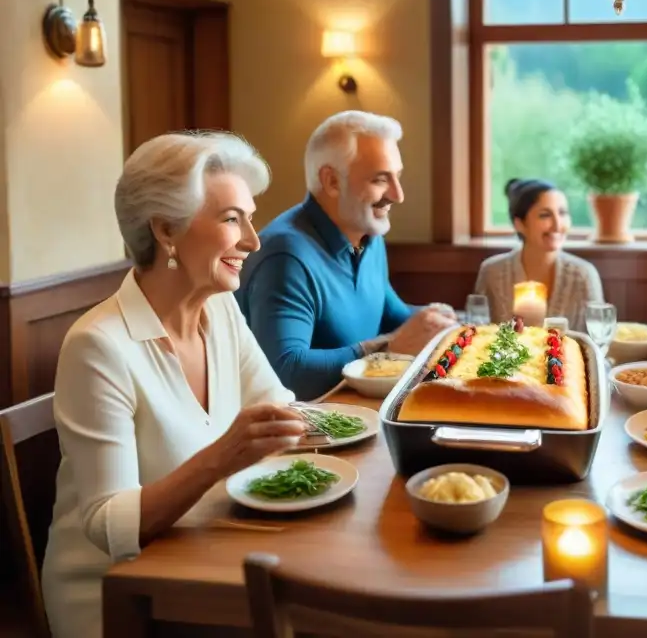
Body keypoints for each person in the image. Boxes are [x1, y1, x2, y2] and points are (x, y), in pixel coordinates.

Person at [41, 132, 308, 638]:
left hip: (206, 557)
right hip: (121, 598)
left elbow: (278, 409)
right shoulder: (98, 345)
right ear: (166, 229)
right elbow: (108, 523)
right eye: (233, 219)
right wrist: (222, 456)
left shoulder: (221, 308)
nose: (253, 240)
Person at [236, 111, 456, 401]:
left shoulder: (368, 235)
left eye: (397, 176)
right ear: (331, 181)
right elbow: (286, 371)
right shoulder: (285, 256)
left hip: (358, 416)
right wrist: (388, 350)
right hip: (303, 436)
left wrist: (445, 323)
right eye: (381, 179)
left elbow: (392, 315)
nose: (398, 194)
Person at [474, 178, 603, 332]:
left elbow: (597, 340)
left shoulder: (584, 275)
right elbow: (477, 332)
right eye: (545, 215)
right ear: (519, 224)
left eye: (562, 213)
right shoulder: (492, 272)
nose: (557, 225)